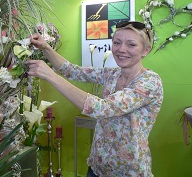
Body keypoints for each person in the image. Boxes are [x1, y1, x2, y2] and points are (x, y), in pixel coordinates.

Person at [25, 21, 163, 177]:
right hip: (97, 167)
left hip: (128, 172)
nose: (121, 49)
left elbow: (101, 108)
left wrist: (49, 75)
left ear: (146, 50)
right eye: (117, 43)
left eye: (131, 45)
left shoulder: (150, 82)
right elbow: (70, 70)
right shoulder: (112, 74)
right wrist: (46, 48)